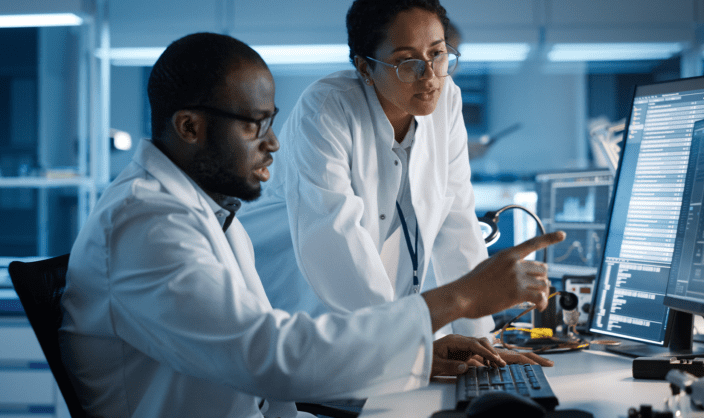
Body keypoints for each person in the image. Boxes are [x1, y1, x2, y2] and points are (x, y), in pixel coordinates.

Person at [59, 32, 565, 418]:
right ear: (190, 127)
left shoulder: (213, 215)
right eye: (254, 125)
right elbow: (269, 357)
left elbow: (273, 359)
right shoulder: (146, 223)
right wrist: (461, 299)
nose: (274, 144)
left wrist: (415, 351)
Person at [239, 0, 519, 347]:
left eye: (437, 54)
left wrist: (485, 344)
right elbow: (335, 242)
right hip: (300, 298)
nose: (430, 76)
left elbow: (458, 225)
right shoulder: (326, 110)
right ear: (364, 68)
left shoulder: (446, 98)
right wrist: (408, 342)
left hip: (377, 317)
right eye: (406, 61)